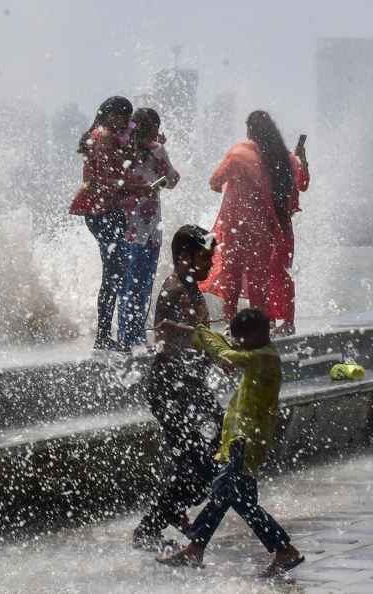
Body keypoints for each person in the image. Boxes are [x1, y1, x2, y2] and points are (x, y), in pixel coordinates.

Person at [156, 309, 303, 577]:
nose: (238, 344)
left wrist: (188, 331)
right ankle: (281, 550)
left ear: (257, 335)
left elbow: (227, 354)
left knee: (223, 494)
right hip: (240, 440)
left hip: (245, 441)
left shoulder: (264, 358)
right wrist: (189, 331)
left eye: (241, 339)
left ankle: (196, 546)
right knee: (239, 501)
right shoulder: (258, 353)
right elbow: (227, 350)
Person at [132, 225, 225, 551]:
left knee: (209, 460)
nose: (211, 265)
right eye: (205, 257)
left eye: (211, 258)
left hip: (189, 385)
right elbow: (165, 337)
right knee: (196, 467)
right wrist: (202, 340)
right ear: (184, 257)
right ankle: (151, 528)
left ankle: (173, 513)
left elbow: (195, 338)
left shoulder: (191, 287)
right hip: (170, 387)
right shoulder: (174, 290)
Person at [200, 111, 308, 333]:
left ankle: (233, 325)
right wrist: (301, 158)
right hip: (270, 228)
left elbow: (214, 182)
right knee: (263, 278)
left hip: (236, 228)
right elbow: (302, 183)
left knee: (233, 275)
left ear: (249, 129)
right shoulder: (284, 157)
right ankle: (267, 323)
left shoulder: (239, 153)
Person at [69, 96, 151, 351]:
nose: (126, 123)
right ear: (111, 114)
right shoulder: (103, 136)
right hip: (103, 210)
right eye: (123, 117)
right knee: (113, 273)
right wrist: (140, 187)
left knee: (114, 272)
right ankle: (103, 335)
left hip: (101, 210)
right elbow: (108, 180)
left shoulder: (103, 134)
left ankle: (105, 334)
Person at [117, 108, 180, 349]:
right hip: (151, 227)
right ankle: (137, 336)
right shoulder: (157, 150)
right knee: (143, 284)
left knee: (127, 283)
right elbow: (172, 180)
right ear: (154, 127)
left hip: (127, 225)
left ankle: (124, 335)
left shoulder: (122, 150)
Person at [267, 136, 310, 336]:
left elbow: (303, 183)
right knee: (266, 273)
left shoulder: (289, 163)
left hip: (282, 227)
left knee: (280, 272)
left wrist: (303, 159)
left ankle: (287, 321)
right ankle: (269, 320)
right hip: (266, 227)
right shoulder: (264, 166)